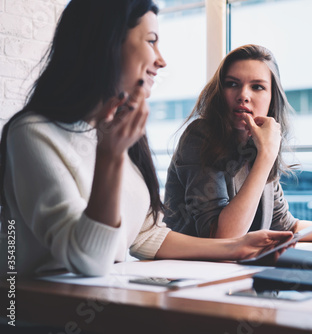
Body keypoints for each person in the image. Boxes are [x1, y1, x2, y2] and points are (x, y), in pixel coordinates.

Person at [0, 0, 294, 278]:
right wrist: (110, 156)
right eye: (151, 41)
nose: (161, 60)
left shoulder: (117, 131)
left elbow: (146, 235)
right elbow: (87, 259)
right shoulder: (32, 133)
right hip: (41, 315)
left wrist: (236, 248)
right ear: (109, 44)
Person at [163, 44, 312, 240]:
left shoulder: (257, 144)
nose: (243, 95)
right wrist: (266, 156)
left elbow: (286, 225)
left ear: (271, 98)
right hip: (191, 270)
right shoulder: (200, 136)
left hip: (235, 268)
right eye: (232, 84)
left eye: (257, 87)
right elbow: (222, 237)